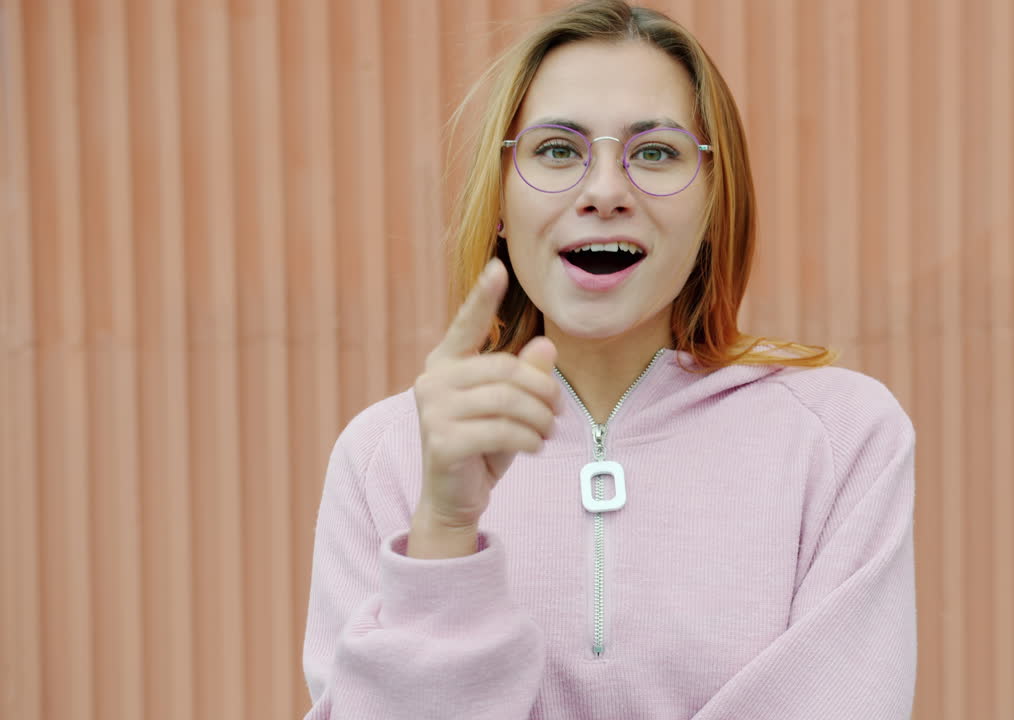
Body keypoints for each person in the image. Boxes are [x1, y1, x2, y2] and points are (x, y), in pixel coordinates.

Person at [301, 1, 917, 717]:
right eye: (557, 150)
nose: (603, 192)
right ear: (499, 196)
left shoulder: (843, 439)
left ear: (716, 201)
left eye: (656, 152)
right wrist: (443, 526)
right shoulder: (387, 456)